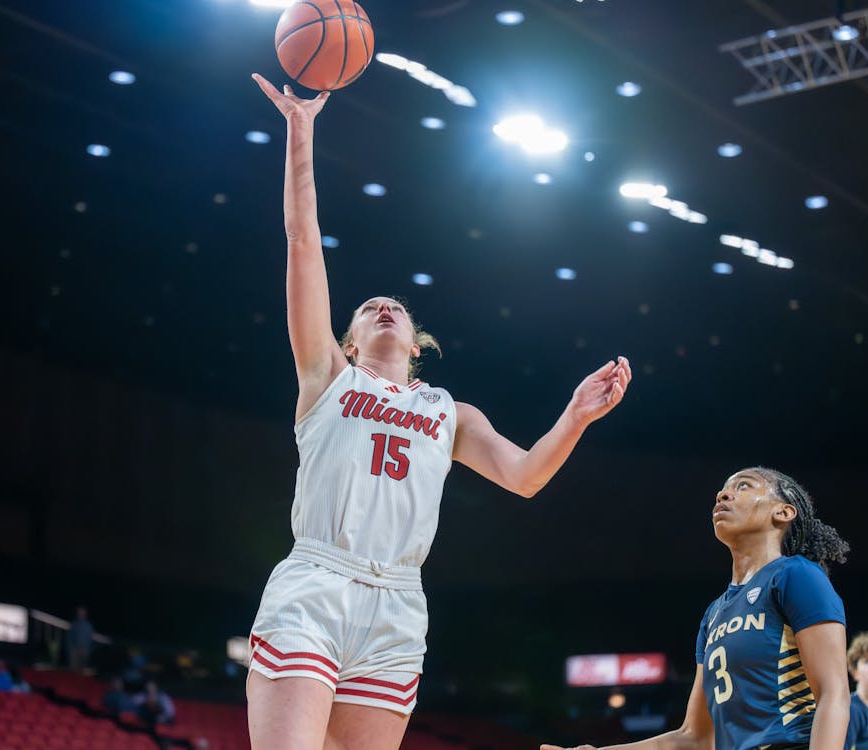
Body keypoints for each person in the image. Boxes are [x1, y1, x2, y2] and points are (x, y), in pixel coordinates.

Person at [246, 73, 632, 750]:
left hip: (398, 602)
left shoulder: (452, 413)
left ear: (416, 341)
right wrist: (300, 134)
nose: (383, 307)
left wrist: (574, 416)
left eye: (394, 305)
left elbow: (525, 477)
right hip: (317, 580)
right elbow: (302, 240)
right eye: (368, 308)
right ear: (350, 339)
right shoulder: (327, 377)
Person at [542, 467, 852, 750]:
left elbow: (833, 693)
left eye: (744, 486)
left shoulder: (795, 575)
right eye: (723, 489)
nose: (723, 494)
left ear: (783, 512)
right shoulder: (714, 614)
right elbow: (695, 736)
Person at [66, 605, 94, 672]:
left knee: (83, 670)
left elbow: (89, 640)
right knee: (74, 670)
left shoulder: (88, 625)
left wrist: (87, 650)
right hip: (75, 651)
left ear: (85, 614)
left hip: (85, 651)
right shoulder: (74, 624)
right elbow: (69, 639)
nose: (81, 615)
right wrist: (73, 650)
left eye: (82, 613)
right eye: (79, 613)